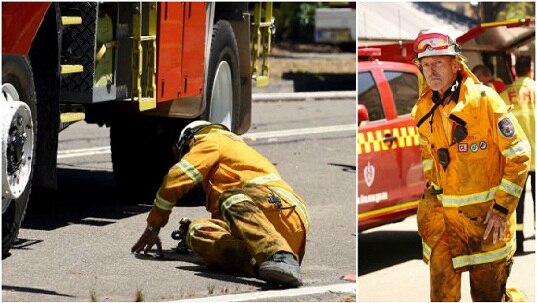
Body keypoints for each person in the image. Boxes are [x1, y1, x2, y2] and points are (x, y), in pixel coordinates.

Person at [411, 30, 531, 301]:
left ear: (456, 64)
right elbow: (429, 158)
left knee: (488, 298)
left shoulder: (484, 101)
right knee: (442, 297)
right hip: (444, 225)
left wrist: (501, 209)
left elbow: (520, 155)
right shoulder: (424, 110)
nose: (431, 71)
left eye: (438, 62)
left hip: (485, 224)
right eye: (426, 65)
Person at [131, 120, 310, 288]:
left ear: (188, 143)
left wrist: (154, 225)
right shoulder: (226, 168)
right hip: (276, 235)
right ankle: (263, 266)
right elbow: (239, 223)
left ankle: (281, 257)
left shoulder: (210, 139)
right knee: (197, 231)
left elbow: (176, 177)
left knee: (231, 197)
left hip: (281, 209)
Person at [500, 55, 536, 254]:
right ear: (530, 69)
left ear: (516, 70)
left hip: (518, 158)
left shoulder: (505, 94)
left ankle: (519, 242)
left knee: (517, 203)